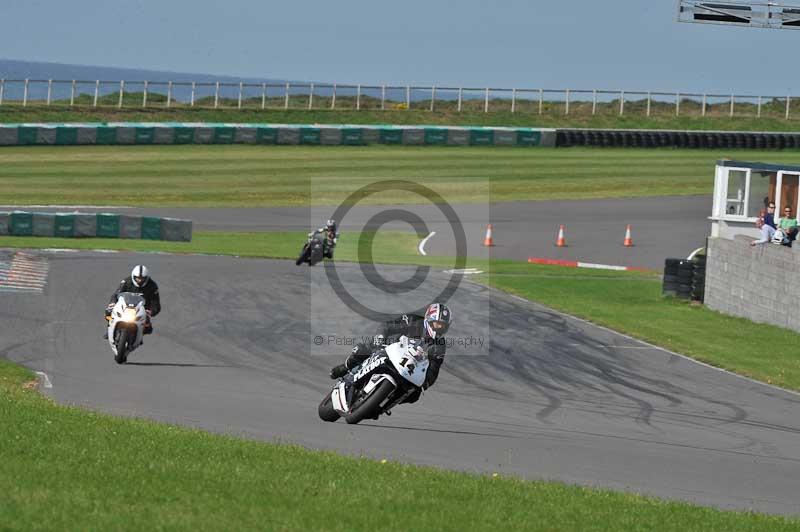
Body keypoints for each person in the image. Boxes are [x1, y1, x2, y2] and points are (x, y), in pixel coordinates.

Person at [329, 302, 452, 403]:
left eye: (442, 326)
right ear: (428, 320)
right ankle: (345, 367)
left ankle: (383, 405)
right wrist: (380, 337)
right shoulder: (413, 320)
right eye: (436, 324)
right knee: (364, 348)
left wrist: (425, 384)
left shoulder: (439, 345)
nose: (438, 328)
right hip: (389, 347)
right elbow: (388, 325)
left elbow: (434, 369)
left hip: (407, 368)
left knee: (414, 396)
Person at [103, 265, 161, 338]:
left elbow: (156, 303)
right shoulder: (126, 281)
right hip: (125, 305)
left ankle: (139, 336)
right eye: (138, 278)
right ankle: (110, 329)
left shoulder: (152, 286)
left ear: (146, 278)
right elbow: (116, 294)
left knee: (148, 328)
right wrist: (112, 303)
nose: (139, 280)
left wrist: (151, 311)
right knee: (108, 313)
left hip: (143, 308)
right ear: (133, 276)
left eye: (142, 278)